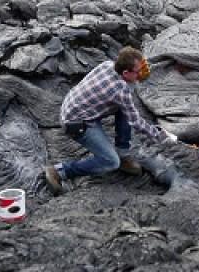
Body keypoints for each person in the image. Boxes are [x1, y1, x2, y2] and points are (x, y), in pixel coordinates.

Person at [45, 46, 178, 195]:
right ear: (126, 73)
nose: (143, 72)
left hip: (72, 106)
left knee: (125, 108)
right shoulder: (121, 90)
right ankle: (59, 171)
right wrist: (160, 135)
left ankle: (123, 154)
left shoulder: (107, 64)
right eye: (138, 70)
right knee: (110, 162)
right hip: (76, 123)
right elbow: (136, 122)